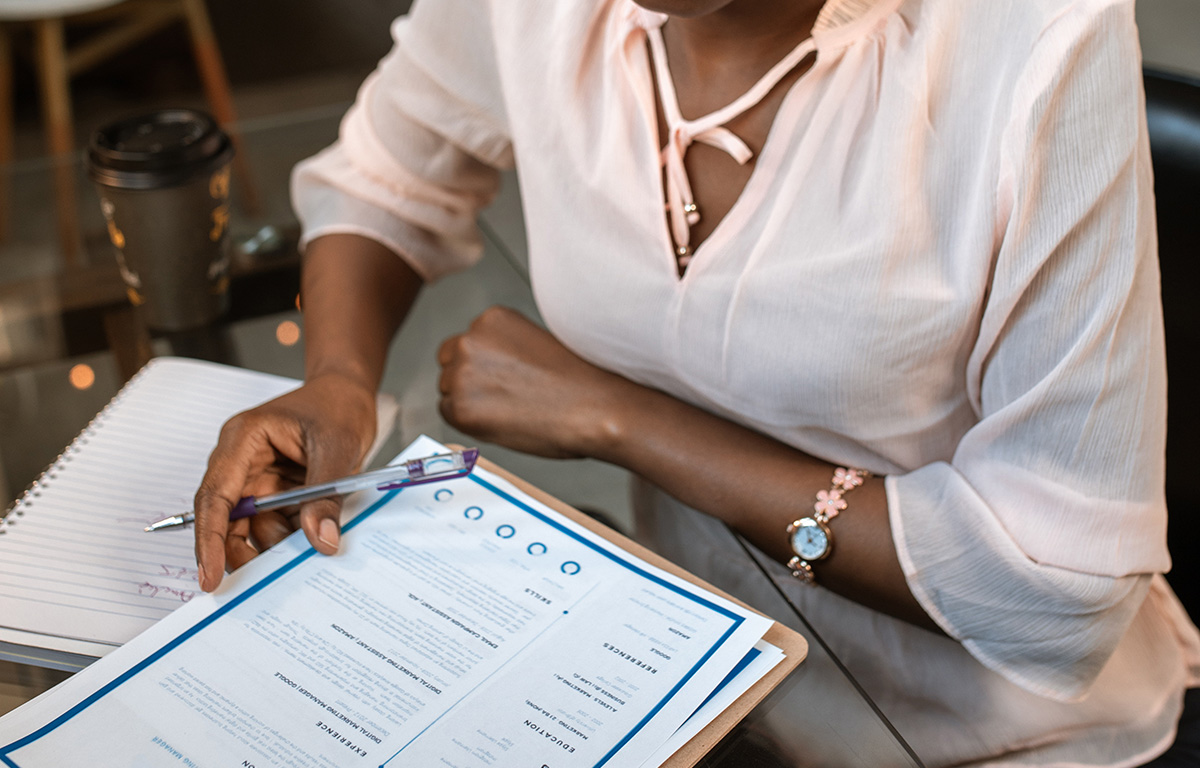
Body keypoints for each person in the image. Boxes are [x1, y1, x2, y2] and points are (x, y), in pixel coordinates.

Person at [191, 0, 1200, 764]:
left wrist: (618, 419)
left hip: (989, 740)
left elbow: (1054, 593)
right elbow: (385, 176)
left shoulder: (1032, 39)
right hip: (682, 686)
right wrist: (334, 384)